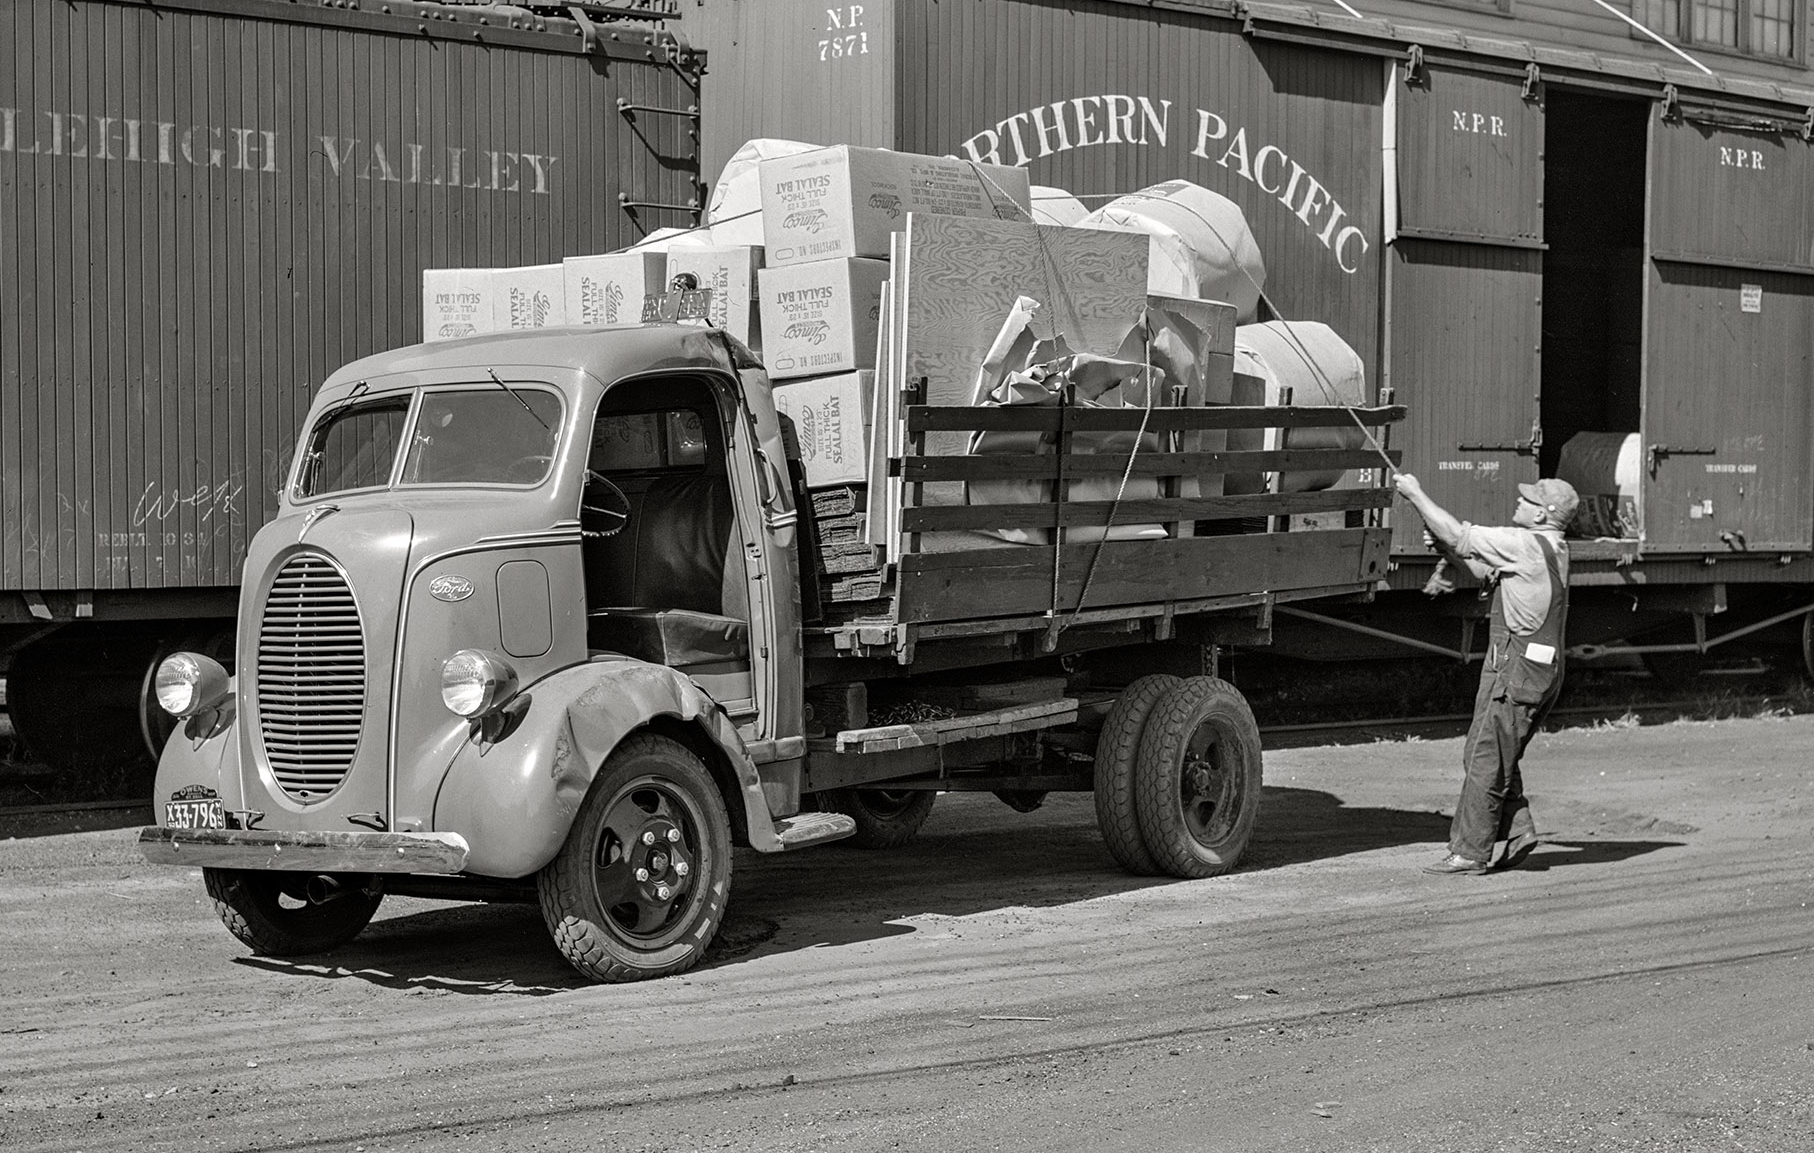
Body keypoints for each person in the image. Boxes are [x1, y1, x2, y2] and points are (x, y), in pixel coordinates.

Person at [1394, 473, 1579, 875]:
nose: (1519, 501)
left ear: (1544, 514)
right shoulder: (1551, 547)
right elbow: (1481, 571)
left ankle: (1470, 852)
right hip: (1538, 670)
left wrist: (1415, 494)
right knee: (1494, 755)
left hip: (1515, 670)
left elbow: (1459, 534)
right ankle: (1518, 831)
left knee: (1484, 759)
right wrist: (1447, 546)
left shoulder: (1525, 544)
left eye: (1528, 500)